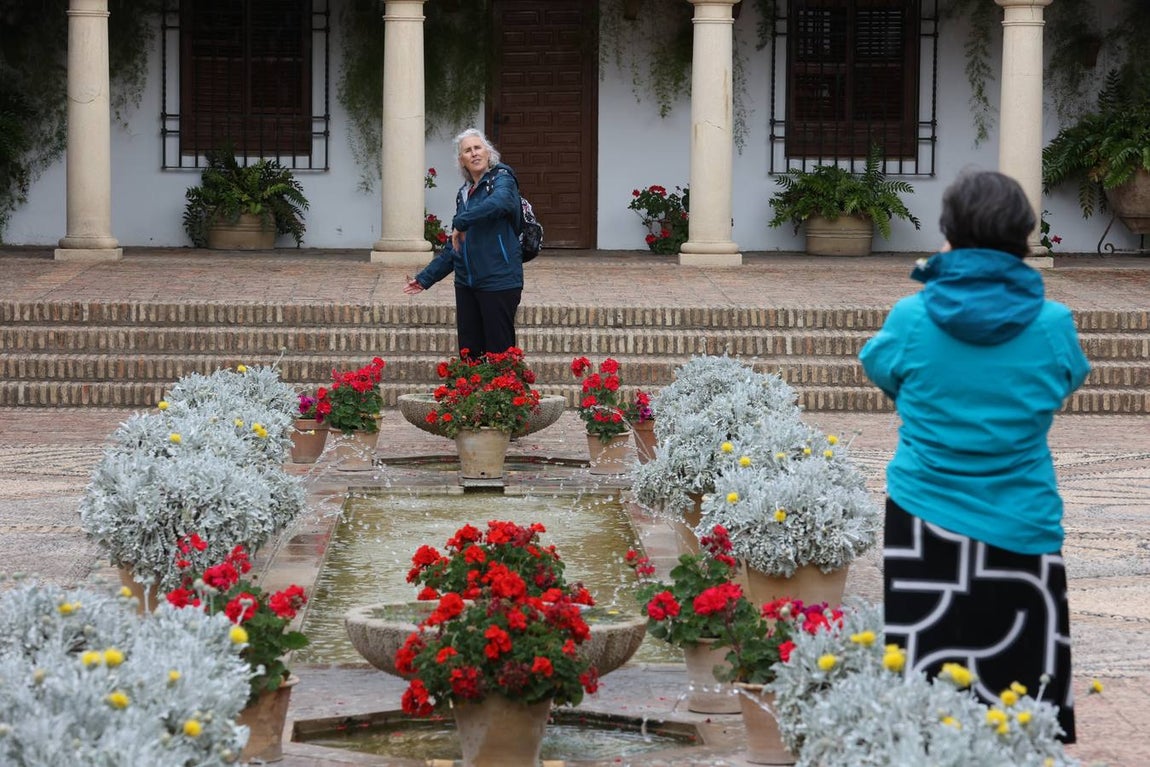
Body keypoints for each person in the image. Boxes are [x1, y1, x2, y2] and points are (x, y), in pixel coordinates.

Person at [859, 170, 1090, 742]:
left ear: (949, 232)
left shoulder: (912, 319)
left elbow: (881, 369)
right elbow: (1066, 380)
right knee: (1021, 680)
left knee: (927, 677)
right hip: (1023, 519)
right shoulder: (1053, 324)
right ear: (1023, 236)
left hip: (923, 517)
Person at [404, 128, 523, 359]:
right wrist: (426, 278)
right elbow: (454, 246)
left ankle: (508, 396)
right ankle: (471, 396)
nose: (474, 154)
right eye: (467, 151)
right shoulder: (464, 193)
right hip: (467, 284)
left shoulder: (502, 179)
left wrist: (461, 220)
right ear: (462, 160)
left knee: (501, 357)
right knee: (470, 356)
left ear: (488, 152)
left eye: (478, 148)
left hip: (498, 280)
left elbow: (500, 203)